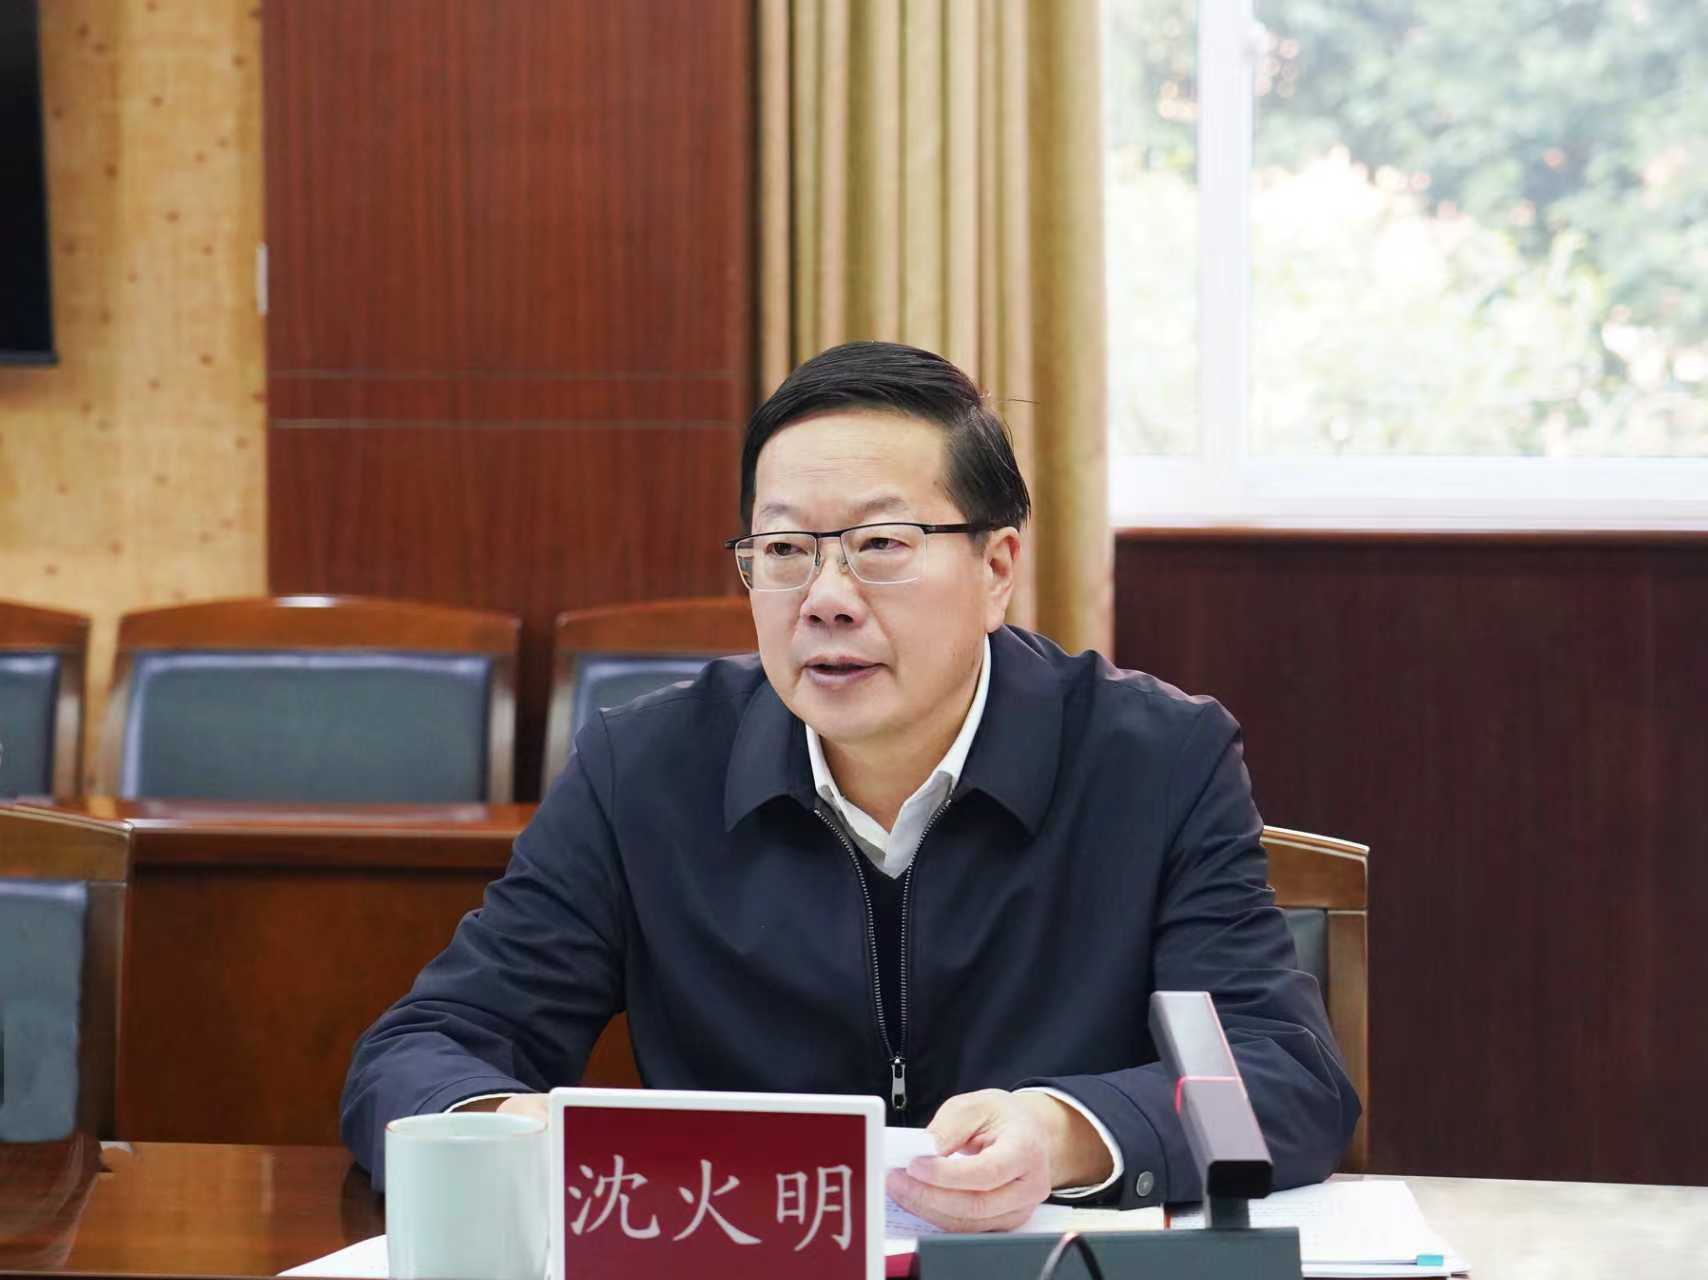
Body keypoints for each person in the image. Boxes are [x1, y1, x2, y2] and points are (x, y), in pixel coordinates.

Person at [341, 340, 1360, 1229]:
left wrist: (1062, 1133)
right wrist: (510, 1127)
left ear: (997, 567)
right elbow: (420, 1050)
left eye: (880, 545)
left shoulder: (1156, 761)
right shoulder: (644, 769)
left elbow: (1279, 1071)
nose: (825, 598)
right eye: (785, 549)